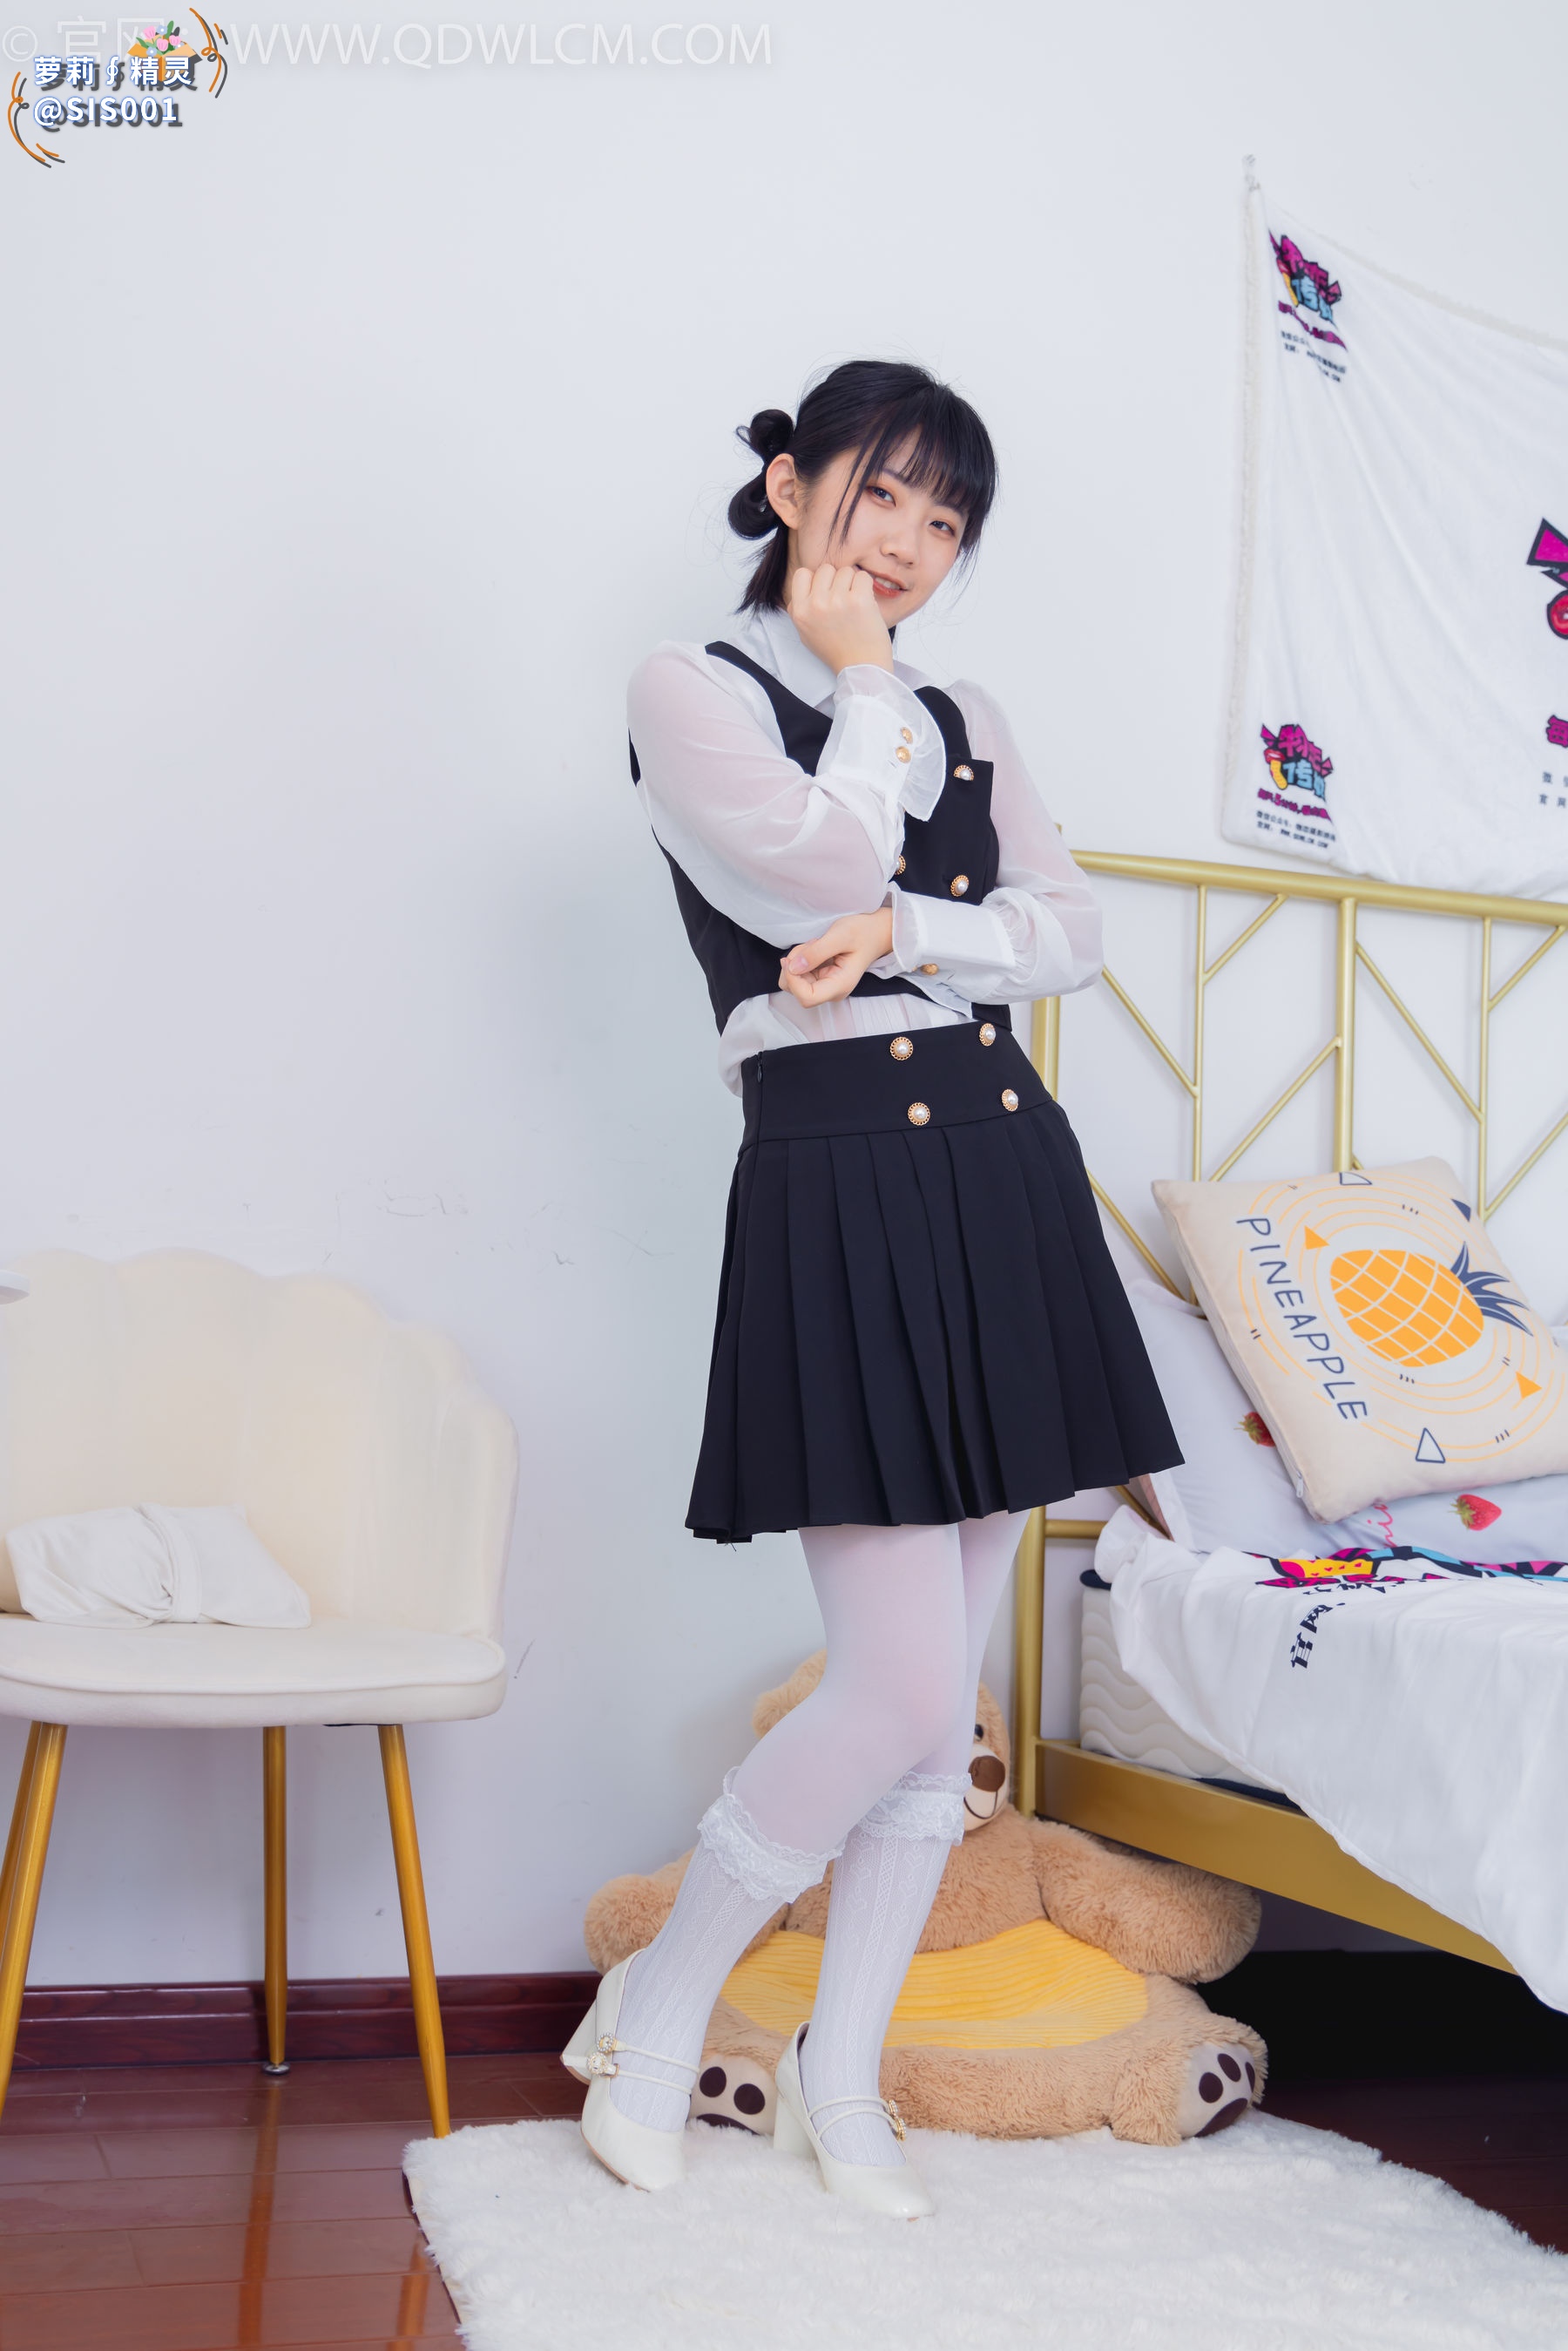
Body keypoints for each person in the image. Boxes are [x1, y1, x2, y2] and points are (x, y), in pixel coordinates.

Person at [563, 360, 1180, 2216]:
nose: (910, 544)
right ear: (790, 482)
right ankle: (659, 2015)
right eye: (884, 494)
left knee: (941, 1691)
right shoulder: (694, 688)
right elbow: (812, 864)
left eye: (946, 519)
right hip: (837, 1171)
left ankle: (842, 2076)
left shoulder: (967, 713)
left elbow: (1067, 933)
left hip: (999, 1165)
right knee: (898, 1677)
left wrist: (913, 929)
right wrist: (861, 682)